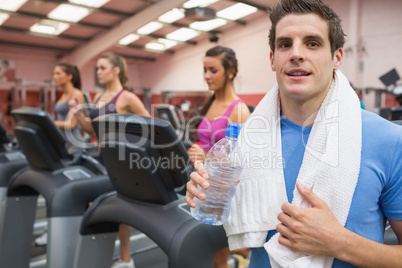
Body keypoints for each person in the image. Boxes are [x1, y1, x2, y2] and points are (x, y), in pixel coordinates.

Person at [185, 0, 402, 267]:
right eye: (285, 44)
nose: (296, 54)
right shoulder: (246, 141)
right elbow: (240, 224)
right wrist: (206, 195)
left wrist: (339, 243)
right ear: (273, 59)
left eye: (312, 43)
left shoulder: (388, 141)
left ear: (337, 57)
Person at [71, 52, 150, 268]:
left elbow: (151, 126)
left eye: (102, 68)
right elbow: (90, 128)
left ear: (116, 70)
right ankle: (103, 251)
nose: (98, 72)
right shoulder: (99, 97)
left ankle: (126, 258)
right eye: (97, 68)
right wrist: (77, 112)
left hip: (122, 161)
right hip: (102, 158)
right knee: (98, 203)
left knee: (121, 208)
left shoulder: (127, 98)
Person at [188, 45, 250, 268]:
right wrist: (196, 154)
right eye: (205, 70)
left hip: (220, 195)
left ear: (230, 71)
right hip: (202, 185)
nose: (207, 76)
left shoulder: (239, 110)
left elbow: (243, 161)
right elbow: (207, 144)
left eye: (213, 70)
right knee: (204, 253)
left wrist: (205, 156)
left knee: (217, 259)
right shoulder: (211, 102)